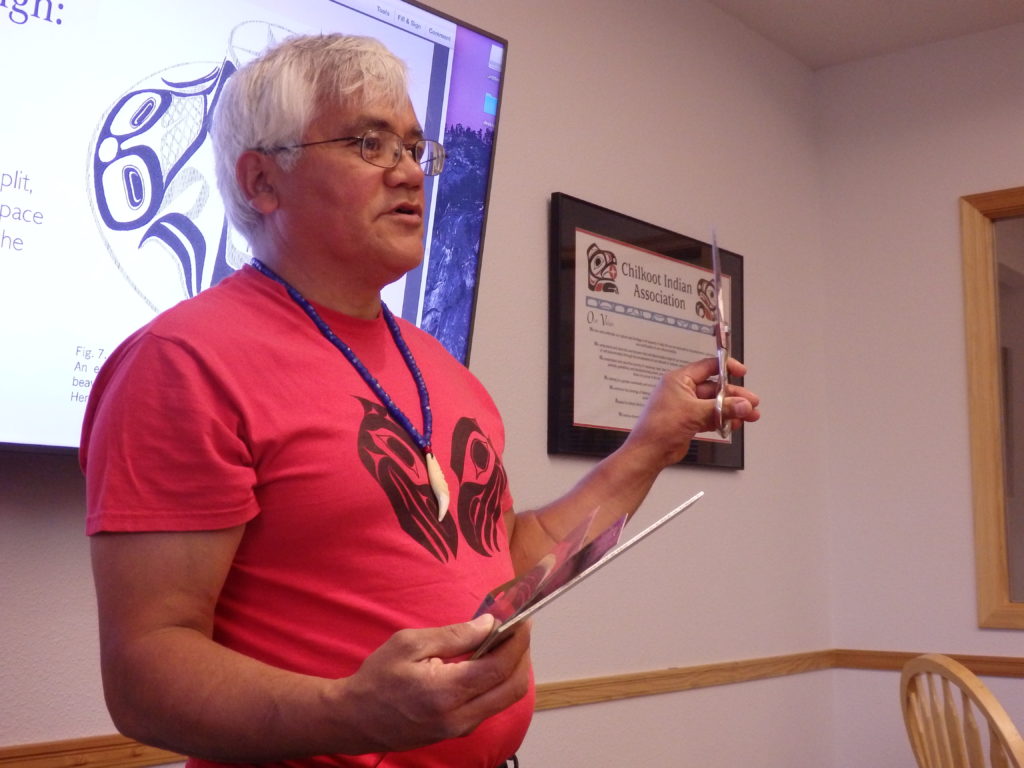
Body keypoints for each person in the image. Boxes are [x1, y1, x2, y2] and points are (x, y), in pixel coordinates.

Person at [81, 34, 760, 768]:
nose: (409, 172)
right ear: (260, 182)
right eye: (369, 143)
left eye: (414, 146)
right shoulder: (183, 362)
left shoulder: (443, 370)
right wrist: (351, 714)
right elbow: (145, 672)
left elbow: (504, 560)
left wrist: (652, 443)